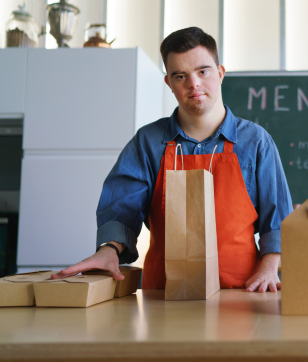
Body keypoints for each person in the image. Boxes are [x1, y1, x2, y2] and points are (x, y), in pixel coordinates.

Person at [51, 27, 293, 293]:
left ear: (221, 73)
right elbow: (122, 208)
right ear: (169, 83)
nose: (194, 84)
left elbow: (278, 218)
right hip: (165, 294)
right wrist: (109, 249)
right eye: (181, 76)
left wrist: (270, 267)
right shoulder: (148, 142)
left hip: (242, 291)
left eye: (203, 71)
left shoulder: (256, 142)